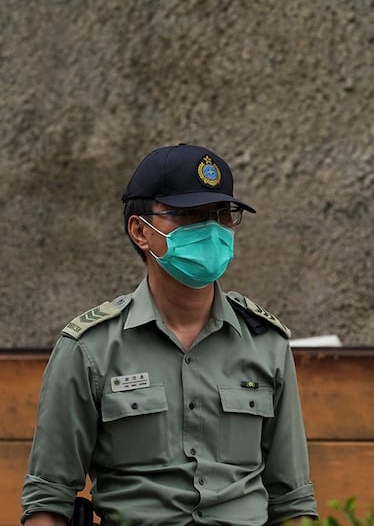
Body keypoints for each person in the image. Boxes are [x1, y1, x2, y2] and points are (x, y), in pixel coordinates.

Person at [21, 144, 318, 526]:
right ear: (140, 231)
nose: (211, 228)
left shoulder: (266, 343)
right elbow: (48, 497)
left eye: (222, 214)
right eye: (188, 214)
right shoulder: (90, 347)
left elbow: (292, 500)